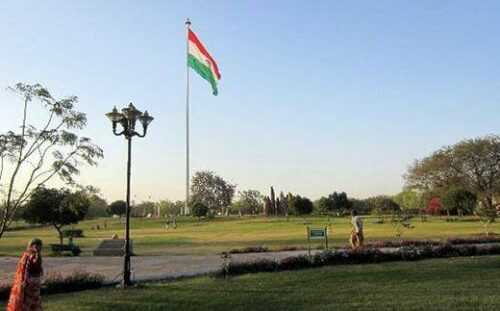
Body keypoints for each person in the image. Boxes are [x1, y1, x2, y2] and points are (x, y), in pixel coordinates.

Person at [7, 238, 44, 311]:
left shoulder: (37, 256)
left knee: (35, 301)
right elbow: (25, 269)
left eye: (39, 246)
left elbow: (39, 269)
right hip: (28, 282)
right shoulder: (27, 256)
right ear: (31, 246)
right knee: (27, 302)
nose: (37, 247)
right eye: (35, 246)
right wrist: (24, 281)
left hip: (36, 282)